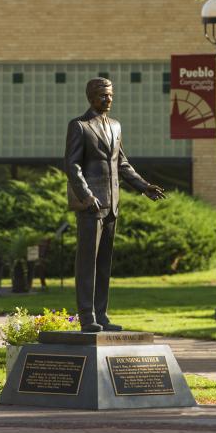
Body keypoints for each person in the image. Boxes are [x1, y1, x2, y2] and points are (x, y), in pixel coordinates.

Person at [64, 78, 166, 332]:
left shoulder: (116, 126)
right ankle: (87, 317)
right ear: (91, 97)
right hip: (91, 206)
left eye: (110, 95)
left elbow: (122, 163)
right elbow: (72, 165)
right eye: (102, 95)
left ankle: (102, 315)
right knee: (87, 263)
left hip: (112, 206)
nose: (108, 99)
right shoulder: (79, 126)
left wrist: (144, 187)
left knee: (104, 264)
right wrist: (86, 195)